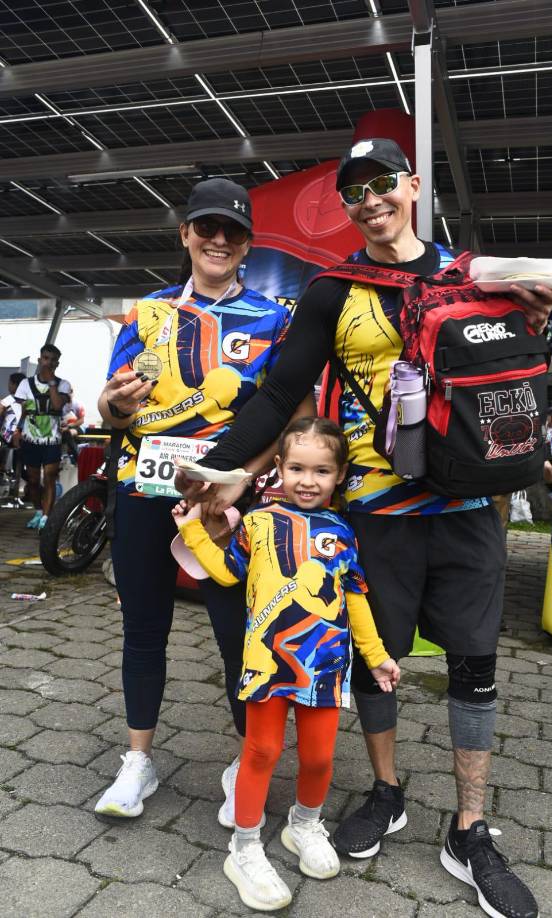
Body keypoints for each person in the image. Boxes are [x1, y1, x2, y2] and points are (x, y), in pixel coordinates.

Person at [176, 140, 552, 918]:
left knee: (474, 665)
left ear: (413, 186)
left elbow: (518, 367)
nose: (371, 198)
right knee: (373, 661)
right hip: (377, 515)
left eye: (383, 182)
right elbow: (280, 391)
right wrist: (222, 466)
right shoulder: (333, 291)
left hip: (468, 508)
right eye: (355, 192)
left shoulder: (473, 276)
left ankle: (470, 830)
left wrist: (536, 320)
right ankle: (387, 793)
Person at [94, 178, 313, 821]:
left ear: (248, 243)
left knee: (236, 635)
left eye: (233, 231)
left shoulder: (276, 319)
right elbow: (111, 405)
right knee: (143, 629)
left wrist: (243, 476)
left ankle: (247, 763)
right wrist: (113, 405)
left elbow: (296, 416)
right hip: (143, 492)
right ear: (185, 234)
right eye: (207, 227)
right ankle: (138, 761)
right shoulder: (147, 312)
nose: (219, 240)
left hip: (225, 508)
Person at [173, 417, 400, 911]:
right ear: (278, 467)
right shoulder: (257, 521)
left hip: (324, 666)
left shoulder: (342, 531)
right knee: (262, 752)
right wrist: (192, 531)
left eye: (321, 471)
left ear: (340, 475)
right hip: (267, 664)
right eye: (297, 468)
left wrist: (377, 656)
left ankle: (304, 826)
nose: (307, 480)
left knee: (319, 758)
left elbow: (355, 598)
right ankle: (244, 849)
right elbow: (227, 574)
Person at [14, 345, 71, 529]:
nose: (49, 362)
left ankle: (46, 517)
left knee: (49, 477)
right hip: (31, 439)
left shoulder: (63, 385)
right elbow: (23, 411)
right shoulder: (25, 384)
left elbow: (57, 405)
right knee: (32, 480)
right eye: (46, 358)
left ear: (57, 363)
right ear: (40, 360)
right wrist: (17, 430)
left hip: (52, 440)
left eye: (53, 360)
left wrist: (51, 382)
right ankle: (38, 511)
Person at [0, 372, 25, 492]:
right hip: (21, 437)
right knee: (19, 467)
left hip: (7, 436)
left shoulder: (11, 398)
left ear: (16, 385)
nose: (8, 385)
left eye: (10, 383)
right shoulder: (28, 400)